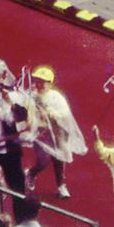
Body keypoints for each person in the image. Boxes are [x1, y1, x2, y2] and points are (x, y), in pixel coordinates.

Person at [24, 65, 86, 199]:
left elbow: (65, 113)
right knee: (43, 161)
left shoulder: (56, 97)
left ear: (50, 83)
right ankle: (30, 174)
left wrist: (53, 113)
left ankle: (61, 186)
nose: (39, 84)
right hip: (41, 134)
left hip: (58, 133)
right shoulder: (32, 96)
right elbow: (28, 113)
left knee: (60, 159)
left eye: (43, 81)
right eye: (38, 80)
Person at [0, 57, 29, 222]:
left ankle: (21, 220)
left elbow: (23, 120)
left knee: (17, 186)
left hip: (11, 150)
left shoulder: (14, 95)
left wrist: (11, 102)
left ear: (5, 76)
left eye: (0, 77)